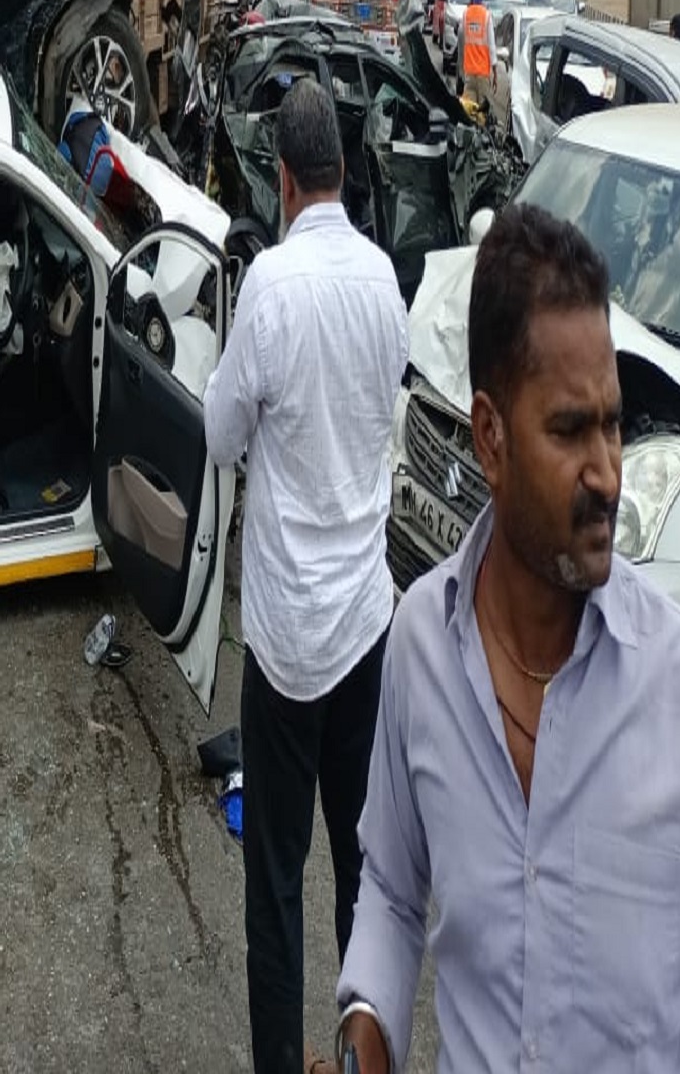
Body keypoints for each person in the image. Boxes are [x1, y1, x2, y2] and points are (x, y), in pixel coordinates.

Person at [330, 202, 680, 1074]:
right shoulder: (420, 644)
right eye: (571, 431)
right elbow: (391, 889)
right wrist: (365, 1033)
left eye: (614, 424)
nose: (609, 473)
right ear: (490, 437)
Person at [203, 79, 408, 1074]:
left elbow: (218, 431)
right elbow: (387, 407)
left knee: (275, 882)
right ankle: (366, 1053)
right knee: (363, 875)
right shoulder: (381, 279)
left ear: (281, 178)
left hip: (287, 647)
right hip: (367, 627)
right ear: (337, 171)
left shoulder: (271, 288)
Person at [459, 0, 496, 103]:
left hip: (469, 72)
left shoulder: (466, 14)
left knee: (469, 111)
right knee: (482, 113)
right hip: (483, 75)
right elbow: (491, 47)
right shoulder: (486, 16)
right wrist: (495, 73)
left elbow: (461, 38)